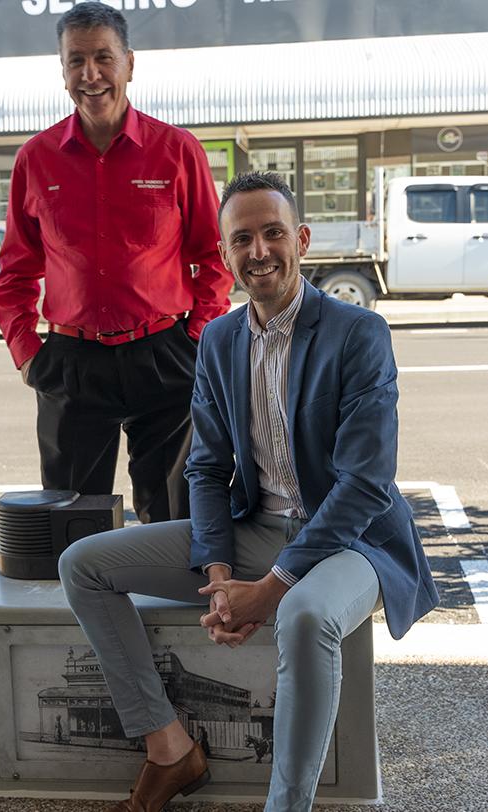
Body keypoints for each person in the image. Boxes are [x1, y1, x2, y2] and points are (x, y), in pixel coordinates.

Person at [58, 172, 439, 812]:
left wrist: (269, 588)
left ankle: (285, 806)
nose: (259, 251)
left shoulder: (357, 334)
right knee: (84, 564)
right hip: (257, 526)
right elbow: (206, 468)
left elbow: (366, 482)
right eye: (243, 239)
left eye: (273, 234)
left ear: (303, 240)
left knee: (307, 614)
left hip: (352, 544)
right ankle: (171, 748)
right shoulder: (219, 339)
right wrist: (218, 578)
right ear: (226, 252)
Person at [0, 3, 231, 522]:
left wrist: (198, 338)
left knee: (173, 518)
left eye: (103, 57)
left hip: (165, 356)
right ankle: (89, 606)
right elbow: (14, 273)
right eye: (76, 60)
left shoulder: (177, 150)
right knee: (72, 523)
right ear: (62, 71)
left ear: (129, 64)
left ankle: (170, 605)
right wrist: (28, 352)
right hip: (72, 364)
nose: (91, 74)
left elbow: (214, 256)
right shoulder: (37, 159)